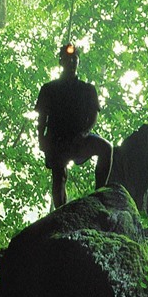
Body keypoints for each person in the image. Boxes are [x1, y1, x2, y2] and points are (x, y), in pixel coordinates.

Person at [35, 43, 113, 209]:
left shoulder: (87, 90)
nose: (71, 62)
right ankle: (61, 213)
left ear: (78, 62)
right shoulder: (49, 89)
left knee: (105, 148)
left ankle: (99, 195)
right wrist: (41, 139)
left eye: (74, 59)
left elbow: (93, 116)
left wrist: (84, 133)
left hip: (79, 139)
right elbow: (42, 117)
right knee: (59, 175)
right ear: (60, 61)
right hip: (57, 141)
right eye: (67, 59)